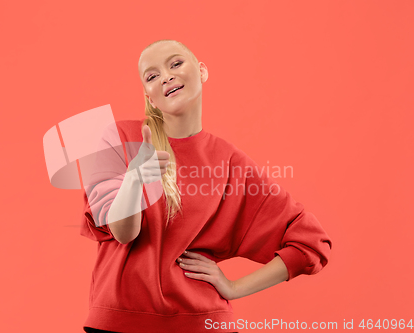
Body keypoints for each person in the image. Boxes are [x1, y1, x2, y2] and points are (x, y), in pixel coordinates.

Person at [80, 39, 332, 333]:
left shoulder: (230, 161)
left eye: (175, 64)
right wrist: (134, 180)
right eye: (152, 75)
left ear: (202, 71)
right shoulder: (120, 137)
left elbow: (311, 244)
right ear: (149, 97)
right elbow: (124, 234)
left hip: (204, 323)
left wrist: (234, 287)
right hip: (121, 323)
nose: (166, 76)